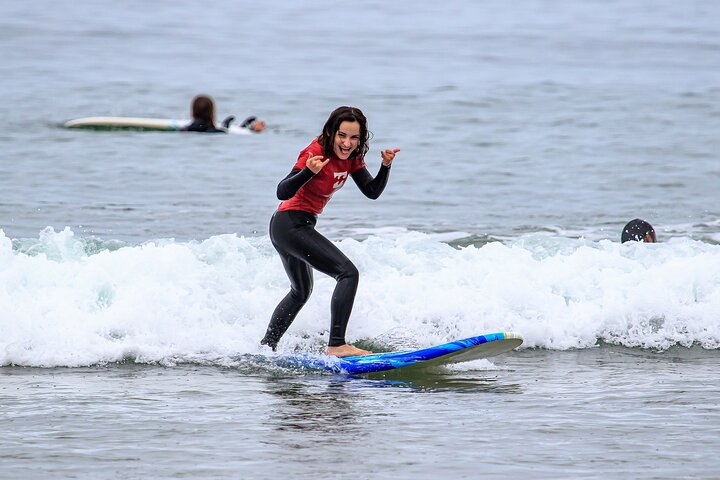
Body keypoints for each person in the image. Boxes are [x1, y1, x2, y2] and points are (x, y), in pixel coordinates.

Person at [261, 106, 400, 357]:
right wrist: (308, 172)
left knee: (300, 292)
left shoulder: (352, 157)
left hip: (292, 226)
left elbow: (371, 191)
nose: (347, 143)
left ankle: (265, 349)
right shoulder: (315, 152)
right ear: (331, 132)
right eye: (342, 135)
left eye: (354, 138)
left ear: (361, 139)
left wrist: (385, 166)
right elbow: (282, 191)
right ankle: (336, 344)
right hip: (289, 223)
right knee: (348, 273)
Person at [182, 94, 265, 133]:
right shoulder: (218, 132)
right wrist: (255, 132)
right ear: (212, 112)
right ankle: (247, 127)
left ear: (193, 112)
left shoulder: (184, 130)